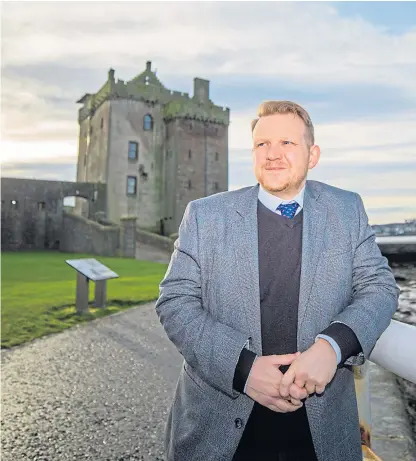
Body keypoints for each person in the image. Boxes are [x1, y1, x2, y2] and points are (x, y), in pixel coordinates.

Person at [155, 100, 399, 461]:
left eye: (287, 143)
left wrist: (332, 348)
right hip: (223, 426)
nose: (272, 154)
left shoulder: (346, 210)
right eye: (262, 144)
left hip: (320, 431)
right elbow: (175, 302)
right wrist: (243, 368)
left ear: (312, 155)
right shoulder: (205, 216)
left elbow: (379, 287)